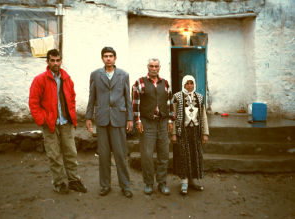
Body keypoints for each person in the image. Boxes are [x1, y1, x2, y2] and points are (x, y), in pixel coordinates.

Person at [29, 49, 87, 194]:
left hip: (65, 122)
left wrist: (71, 115)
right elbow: (33, 102)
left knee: (71, 153)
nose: (55, 63)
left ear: (61, 61)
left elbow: (72, 98)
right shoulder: (40, 79)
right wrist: (42, 121)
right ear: (47, 62)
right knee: (54, 155)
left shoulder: (66, 78)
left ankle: (74, 180)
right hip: (50, 124)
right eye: (52, 60)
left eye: (58, 60)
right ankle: (59, 183)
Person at [85, 47, 134, 198]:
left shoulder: (123, 75)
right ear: (102, 59)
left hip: (118, 119)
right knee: (104, 155)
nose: (108, 58)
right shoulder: (95, 75)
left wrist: (130, 118)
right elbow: (92, 97)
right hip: (102, 119)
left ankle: (125, 186)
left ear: (115, 58)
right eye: (105, 56)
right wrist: (88, 117)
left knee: (120, 154)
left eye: (111, 56)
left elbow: (127, 98)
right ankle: (105, 185)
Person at [132, 58, 174, 195]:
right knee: (147, 155)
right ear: (147, 67)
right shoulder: (140, 82)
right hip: (147, 122)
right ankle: (149, 183)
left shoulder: (165, 83)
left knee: (164, 154)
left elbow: (169, 103)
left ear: (159, 67)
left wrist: (169, 120)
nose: (154, 68)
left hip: (162, 123)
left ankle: (162, 183)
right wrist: (137, 121)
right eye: (151, 66)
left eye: (156, 66)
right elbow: (135, 103)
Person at [171, 75, 209, 195]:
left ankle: (192, 181)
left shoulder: (200, 97)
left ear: (194, 84)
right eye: (187, 83)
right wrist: (173, 133)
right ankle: (184, 182)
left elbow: (203, 115)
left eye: (191, 83)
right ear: (183, 84)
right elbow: (173, 115)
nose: (189, 86)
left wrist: (205, 133)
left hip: (195, 131)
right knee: (183, 156)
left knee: (194, 155)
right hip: (182, 131)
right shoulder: (177, 97)